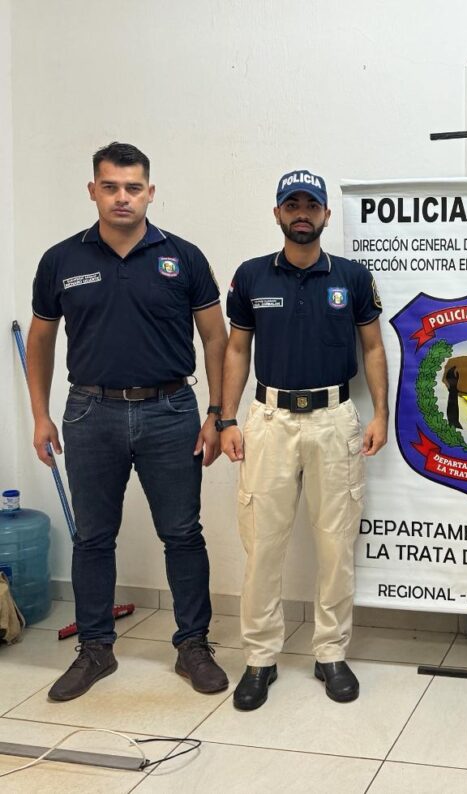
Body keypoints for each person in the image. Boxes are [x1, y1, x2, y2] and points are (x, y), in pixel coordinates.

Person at [27, 142, 229, 701]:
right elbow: (40, 341)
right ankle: (95, 649)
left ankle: (193, 646)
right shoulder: (61, 260)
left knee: (182, 534)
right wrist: (40, 415)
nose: (122, 197)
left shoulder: (184, 257)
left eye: (133, 187)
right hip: (90, 413)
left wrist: (217, 413)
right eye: (111, 186)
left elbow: (216, 338)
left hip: (172, 412)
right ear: (93, 190)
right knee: (93, 537)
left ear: (150, 192)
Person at [219, 170, 388, 711]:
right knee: (262, 544)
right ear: (277, 214)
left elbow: (373, 348)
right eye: (291, 205)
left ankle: (330, 652)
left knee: (336, 545)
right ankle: (260, 658)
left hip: (334, 419)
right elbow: (237, 350)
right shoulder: (251, 276)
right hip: (269, 421)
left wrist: (380, 413)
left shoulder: (352, 277)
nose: (301, 214)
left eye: (310, 206)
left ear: (325, 215)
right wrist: (226, 419)